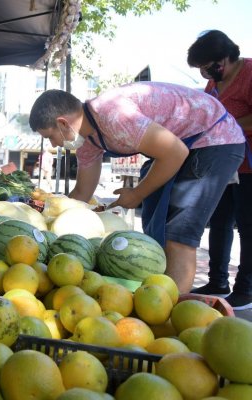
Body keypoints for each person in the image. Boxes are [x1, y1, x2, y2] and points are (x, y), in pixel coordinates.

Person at [29, 82, 245, 294]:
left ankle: (172, 309)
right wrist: (48, 220)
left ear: (63, 123)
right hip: (185, 145)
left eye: (50, 136)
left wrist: (137, 194)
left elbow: (174, 152)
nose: (54, 145)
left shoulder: (113, 115)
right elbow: (81, 195)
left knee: (178, 233)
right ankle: (162, 292)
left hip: (214, 138)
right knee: (155, 228)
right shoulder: (87, 140)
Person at [187, 30, 252, 309]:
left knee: (248, 226)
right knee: (220, 221)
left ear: (225, 57)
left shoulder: (249, 72)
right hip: (222, 166)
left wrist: (228, 125)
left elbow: (223, 120)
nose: (205, 73)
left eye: (207, 66)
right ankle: (218, 281)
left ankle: (246, 289)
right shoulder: (213, 83)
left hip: (249, 164)